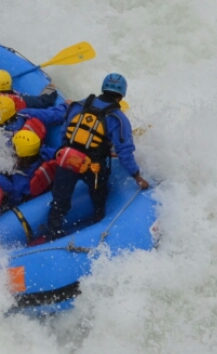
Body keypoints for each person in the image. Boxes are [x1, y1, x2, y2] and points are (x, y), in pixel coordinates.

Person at [41, 72, 148, 241]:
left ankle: (52, 231)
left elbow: (64, 132)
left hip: (67, 158)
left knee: (60, 199)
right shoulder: (118, 119)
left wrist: (67, 151)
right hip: (93, 165)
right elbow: (124, 152)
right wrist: (136, 175)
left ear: (103, 88)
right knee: (99, 192)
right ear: (122, 95)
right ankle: (99, 219)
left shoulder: (78, 105)